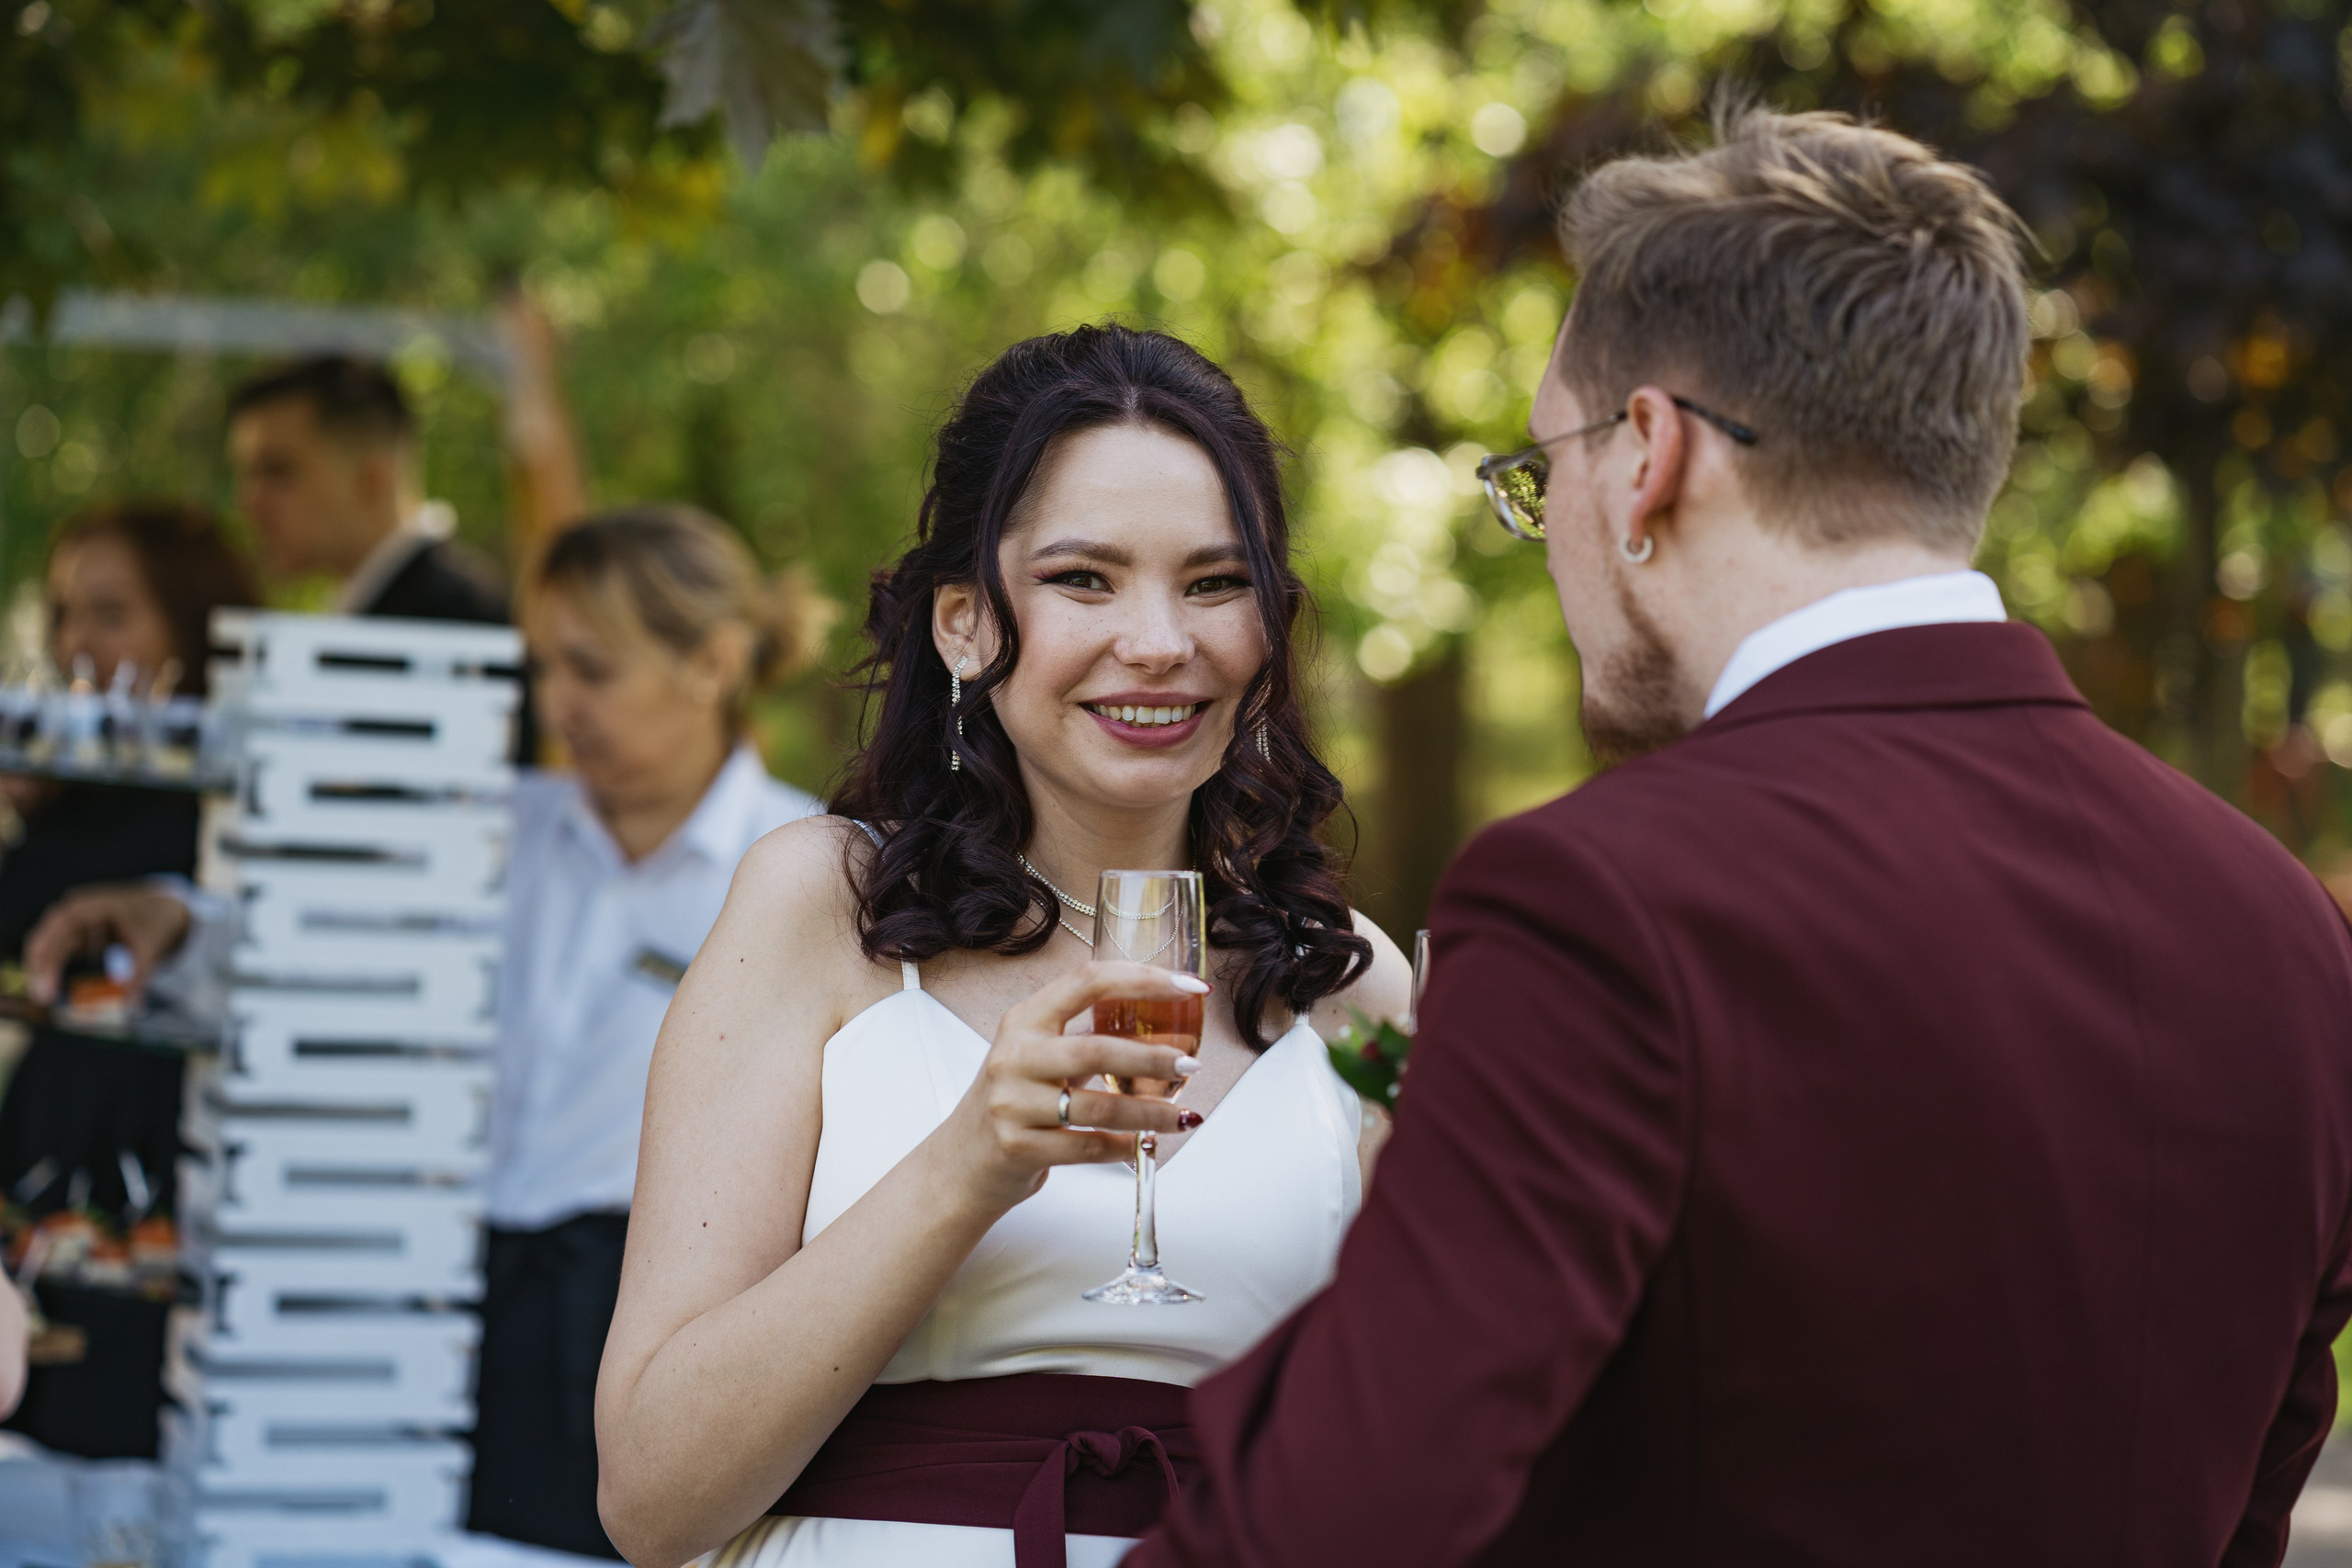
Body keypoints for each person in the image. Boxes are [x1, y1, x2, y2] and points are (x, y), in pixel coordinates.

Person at [1125, 107, 2352, 1567]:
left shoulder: (1602, 895)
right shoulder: (2283, 933)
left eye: (1542, 474)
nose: (1553, 533)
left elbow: (1328, 1524)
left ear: (1644, 458)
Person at [592, 324, 1412, 1568]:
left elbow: (1420, 1449)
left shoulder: (1353, 984)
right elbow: (650, 1499)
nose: (1158, 641)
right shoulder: (821, 906)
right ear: (967, 623)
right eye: (1086, 578)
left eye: (1212, 581)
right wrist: (972, 1157)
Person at [23, 505, 827, 1555]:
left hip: (643, 1324)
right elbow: (315, 936)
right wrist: (178, 918)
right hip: (435, 1304)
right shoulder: (498, 825)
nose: (557, 703)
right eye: (544, 670)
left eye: (592, 670)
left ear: (713, 662)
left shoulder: (804, 865)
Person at [0, 501, 259, 1457]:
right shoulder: (61, 793)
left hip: (170, 1158)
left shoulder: (233, 807)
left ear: (193, 625)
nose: (78, 641)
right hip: (52, 1140)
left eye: (111, 613)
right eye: (66, 613)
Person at [226, 354, 509, 622]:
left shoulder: (455, 621)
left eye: (278, 471)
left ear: (373, 480)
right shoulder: (399, 608)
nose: (249, 501)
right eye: (247, 475)